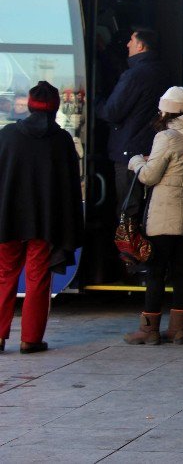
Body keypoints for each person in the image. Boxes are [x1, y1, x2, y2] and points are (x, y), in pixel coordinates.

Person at [0, 82, 83, 353]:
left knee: (4, 275)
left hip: (7, 220)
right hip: (45, 224)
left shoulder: (8, 135)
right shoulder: (61, 141)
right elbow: (70, 187)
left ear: (29, 105)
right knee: (37, 278)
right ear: (55, 108)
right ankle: (31, 339)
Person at [123, 87, 183, 345]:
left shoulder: (166, 136)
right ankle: (179, 330)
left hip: (165, 213)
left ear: (168, 110)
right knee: (181, 273)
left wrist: (137, 161)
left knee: (156, 271)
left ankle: (149, 330)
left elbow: (150, 176)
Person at [96, 28, 172, 218]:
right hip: (149, 148)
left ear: (141, 45)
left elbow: (111, 112)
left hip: (128, 152)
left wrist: (92, 100)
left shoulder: (135, 75)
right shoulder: (163, 72)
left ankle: (127, 247)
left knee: (127, 208)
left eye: (131, 40)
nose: (127, 44)